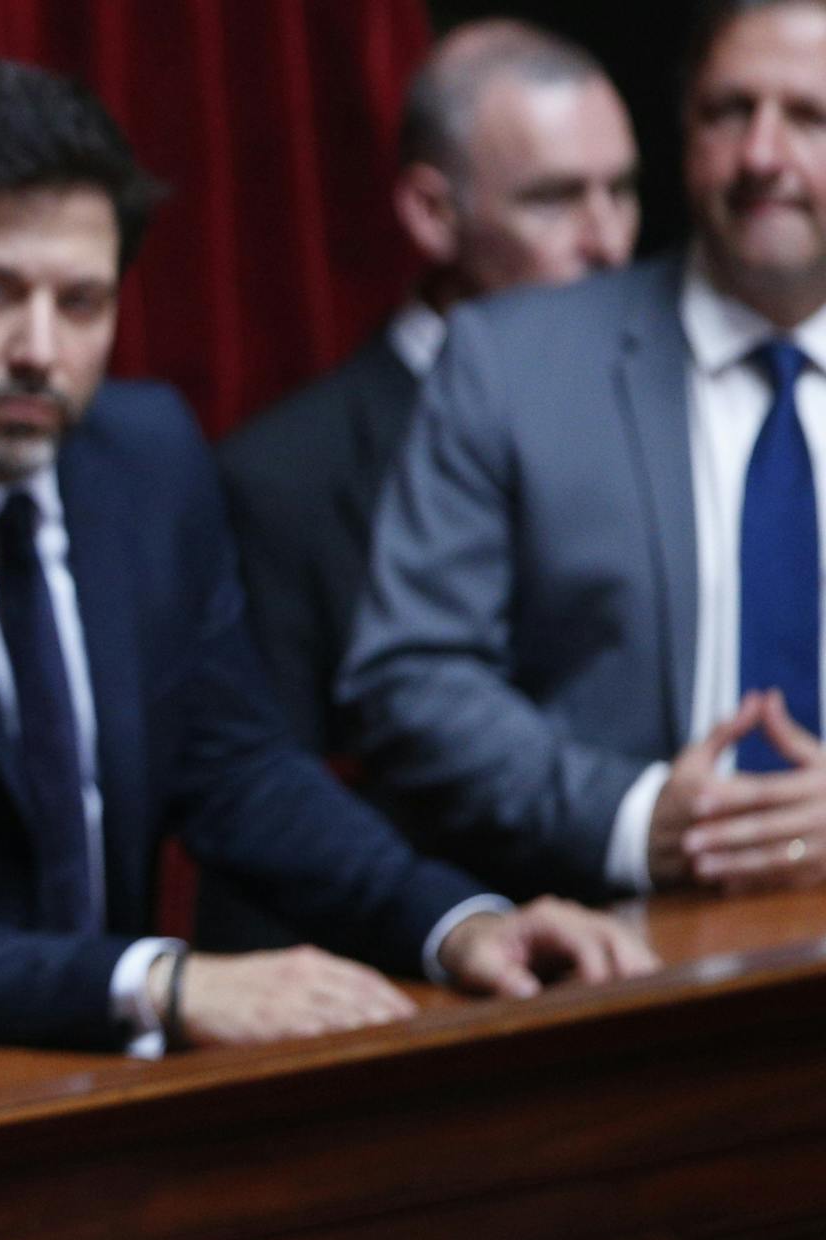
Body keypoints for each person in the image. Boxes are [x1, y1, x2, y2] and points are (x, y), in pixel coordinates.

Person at [0, 60, 655, 1056]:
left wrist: (458, 921)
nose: (39, 347)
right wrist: (160, 980)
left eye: (82, 302)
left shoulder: (145, 459)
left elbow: (237, 769)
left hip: (88, 1076)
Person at [340, 0, 826, 902]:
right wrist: (638, 817)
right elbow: (413, 676)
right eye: (728, 112)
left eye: (810, 117)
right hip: (615, 952)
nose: (762, 155)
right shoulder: (507, 361)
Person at [204, 20, 639, 947]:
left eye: (624, 192)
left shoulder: (682, 408)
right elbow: (259, 813)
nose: (606, 242)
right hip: (433, 982)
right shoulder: (285, 477)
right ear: (433, 214)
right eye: (556, 199)